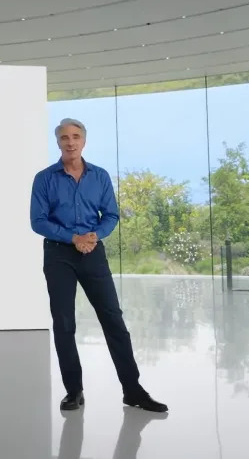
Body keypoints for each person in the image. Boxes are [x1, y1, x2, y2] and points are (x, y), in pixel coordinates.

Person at [30, 118, 167, 413]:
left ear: (84, 141)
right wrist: (72, 237)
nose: (70, 142)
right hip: (58, 255)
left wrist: (94, 236)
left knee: (113, 320)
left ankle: (132, 390)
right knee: (64, 323)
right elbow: (37, 221)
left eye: (75, 136)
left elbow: (112, 216)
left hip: (92, 252)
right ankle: (74, 391)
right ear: (58, 143)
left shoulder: (100, 177)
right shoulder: (44, 178)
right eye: (64, 137)